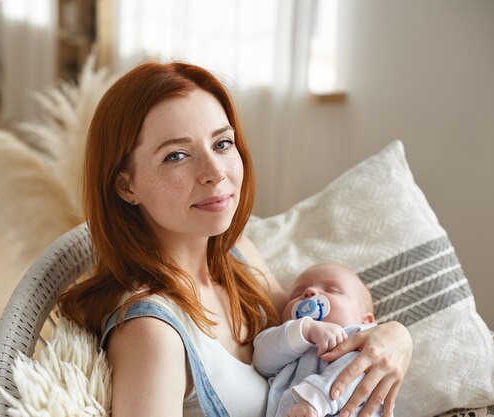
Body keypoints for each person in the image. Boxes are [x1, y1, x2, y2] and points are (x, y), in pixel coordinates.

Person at [58, 61, 412, 417]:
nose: (215, 172)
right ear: (127, 185)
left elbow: (312, 323)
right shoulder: (153, 333)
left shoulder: (237, 255)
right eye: (177, 155)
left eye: (222, 143)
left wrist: (396, 337)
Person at [253, 264, 382, 417]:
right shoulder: (287, 344)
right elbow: (261, 360)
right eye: (297, 294)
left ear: (366, 321)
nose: (310, 292)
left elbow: (357, 373)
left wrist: (315, 401)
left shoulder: (360, 337)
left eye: (332, 290)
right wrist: (305, 329)